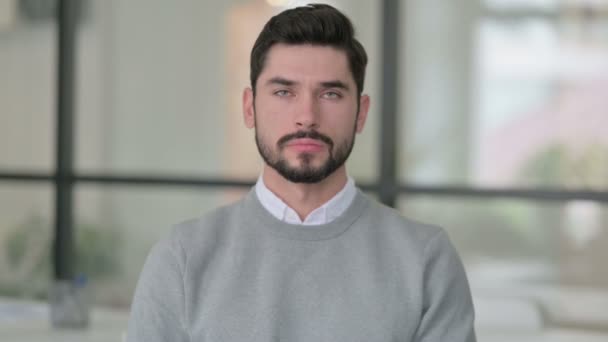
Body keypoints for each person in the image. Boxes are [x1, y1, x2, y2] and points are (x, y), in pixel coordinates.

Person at [127, 4, 476, 342]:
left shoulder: (426, 259)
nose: (306, 116)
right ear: (250, 108)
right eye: (283, 92)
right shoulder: (182, 258)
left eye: (330, 93)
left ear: (361, 113)